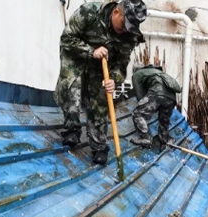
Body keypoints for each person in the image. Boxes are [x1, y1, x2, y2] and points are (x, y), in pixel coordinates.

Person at [54, 0, 147, 165]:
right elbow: (67, 39)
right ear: (116, 12)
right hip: (75, 56)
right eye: (124, 24)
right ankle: (72, 130)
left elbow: (121, 65)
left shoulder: (130, 36)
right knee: (71, 89)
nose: (125, 29)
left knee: (100, 99)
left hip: (102, 66)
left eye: (130, 27)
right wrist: (91, 51)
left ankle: (99, 145)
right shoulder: (89, 12)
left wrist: (114, 80)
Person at [129, 64, 181, 149]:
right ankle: (165, 141)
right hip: (171, 98)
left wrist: (146, 107)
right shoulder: (157, 72)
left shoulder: (137, 74)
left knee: (137, 113)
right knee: (164, 119)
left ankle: (145, 138)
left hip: (157, 93)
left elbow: (140, 95)